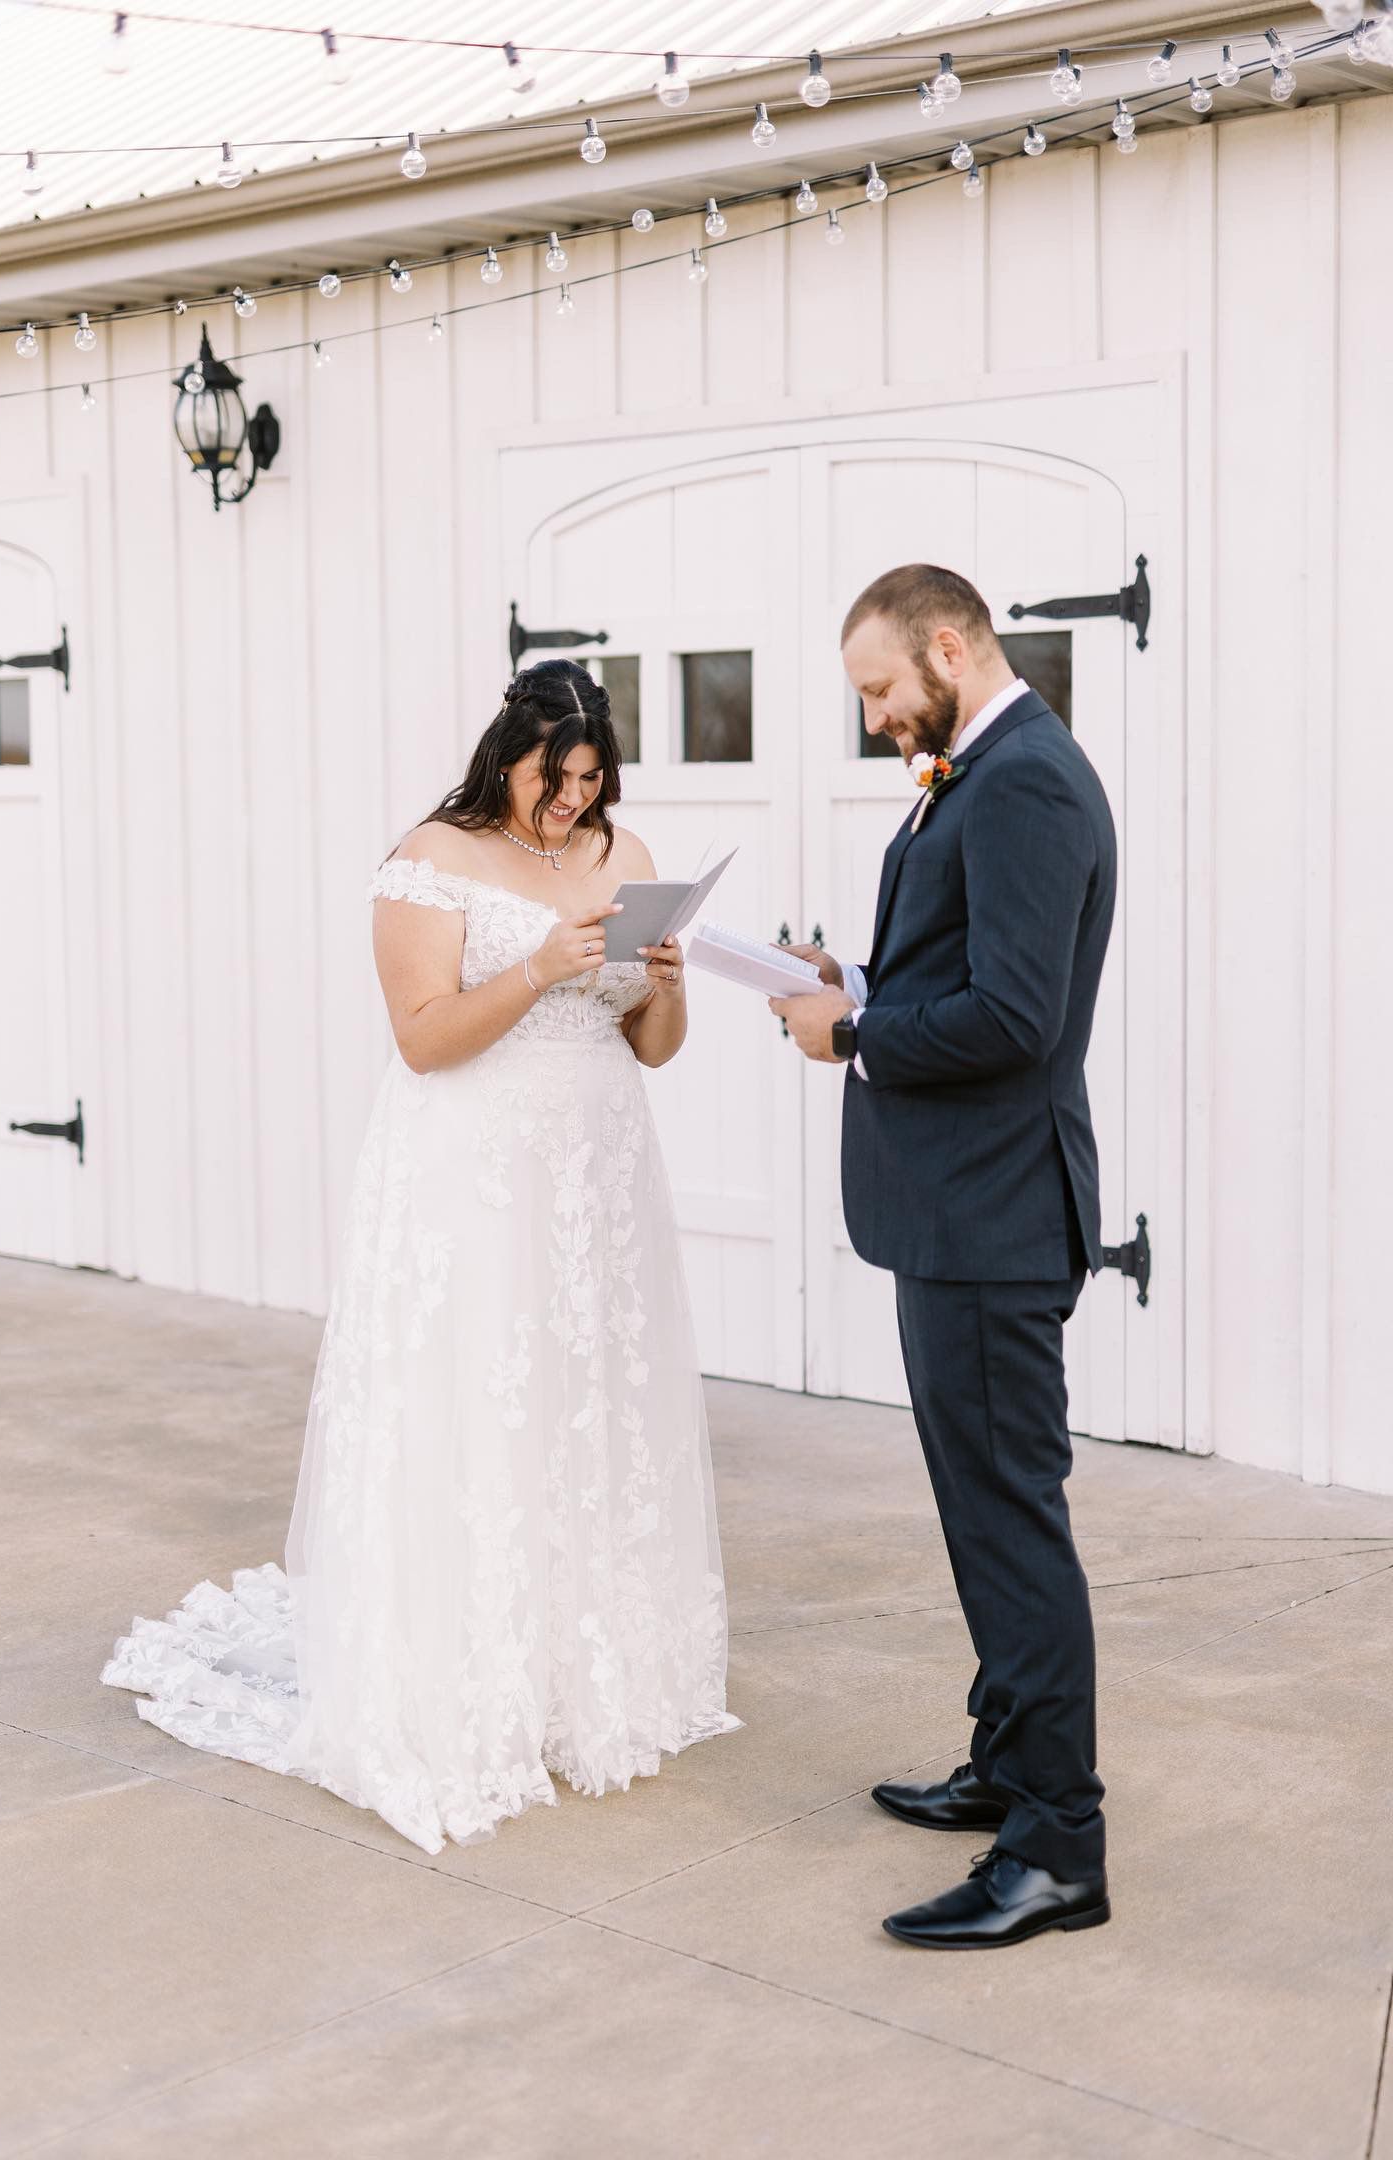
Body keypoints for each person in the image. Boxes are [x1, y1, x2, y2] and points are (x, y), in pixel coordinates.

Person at [104, 659, 739, 1856]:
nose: (572, 805)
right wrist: (543, 965)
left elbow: (654, 1047)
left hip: (596, 1171)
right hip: (475, 1172)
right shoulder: (430, 860)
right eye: (557, 780)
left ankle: (583, 1674)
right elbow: (425, 1039)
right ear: (508, 757)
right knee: (479, 1404)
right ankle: (466, 1673)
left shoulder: (626, 852)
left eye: (592, 782)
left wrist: (662, 984)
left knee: (584, 1401)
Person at [773, 565, 1116, 1949]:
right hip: (960, 1212)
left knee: (1010, 1526)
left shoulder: (1027, 778)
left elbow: (1018, 1019)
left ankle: (1059, 1848)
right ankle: (1006, 1768)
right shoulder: (982, 768)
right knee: (984, 1516)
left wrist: (852, 1041)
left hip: (993, 1219)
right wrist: (847, 986)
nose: (871, 719)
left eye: (878, 689)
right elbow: (959, 976)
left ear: (951, 647)